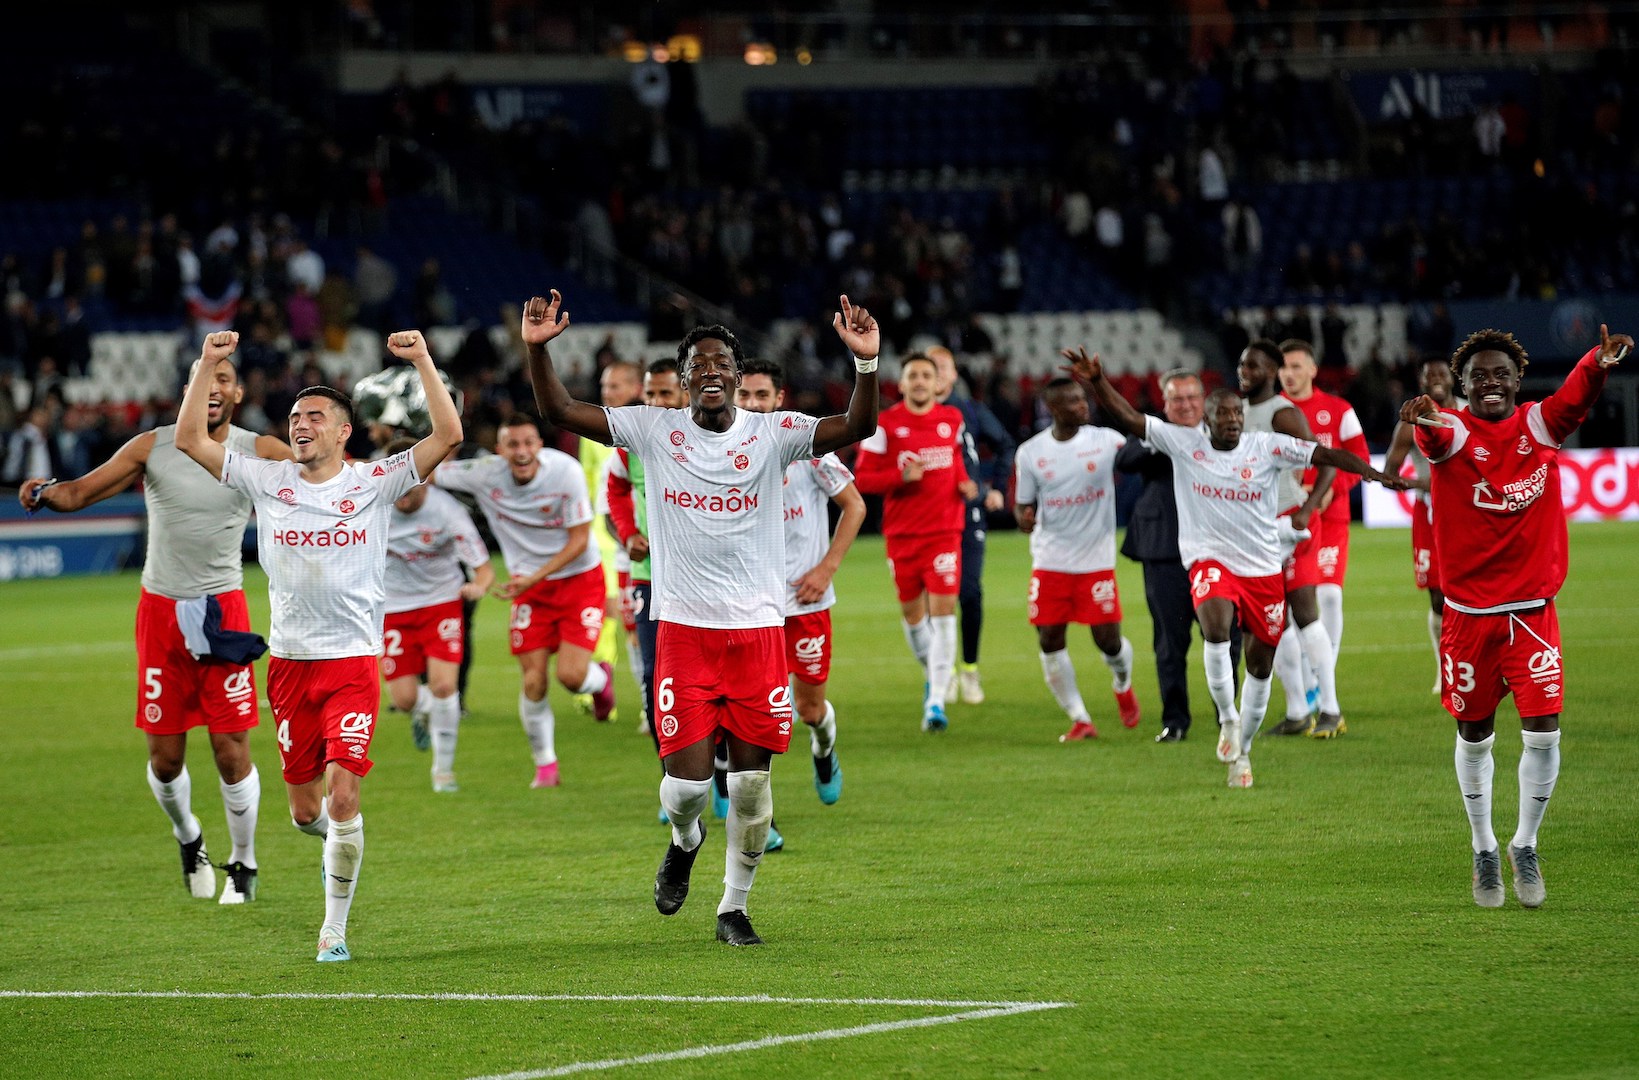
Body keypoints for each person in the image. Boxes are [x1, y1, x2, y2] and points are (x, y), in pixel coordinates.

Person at [524, 288, 879, 946]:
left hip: (758, 635)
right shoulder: (651, 429)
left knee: (749, 789)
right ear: (683, 381)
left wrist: (865, 364)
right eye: (698, 366)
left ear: (739, 379)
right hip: (685, 635)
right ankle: (684, 845)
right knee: (686, 793)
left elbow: (855, 428)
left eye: (722, 364)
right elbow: (557, 409)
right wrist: (538, 349)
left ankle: (732, 908)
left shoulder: (775, 434)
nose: (711, 373)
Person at [174, 328, 462, 961]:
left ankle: (333, 929)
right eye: (295, 416)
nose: (300, 425)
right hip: (290, 667)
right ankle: (340, 842)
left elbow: (448, 437)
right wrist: (207, 362)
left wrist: (420, 362)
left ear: (343, 433)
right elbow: (189, 438)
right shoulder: (267, 479)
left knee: (342, 794)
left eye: (315, 417)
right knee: (308, 813)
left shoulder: (375, 483)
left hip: (354, 664)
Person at [19, 352, 293, 905]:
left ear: (238, 395)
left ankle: (243, 862)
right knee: (165, 760)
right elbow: (78, 493)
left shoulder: (258, 451)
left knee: (230, 749)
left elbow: (321, 484)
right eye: (202, 378)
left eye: (223, 379)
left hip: (223, 612)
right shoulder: (152, 446)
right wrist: (43, 492)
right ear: (186, 390)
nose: (213, 387)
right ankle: (188, 834)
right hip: (162, 614)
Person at [1067, 346, 1400, 788]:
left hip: (1262, 567)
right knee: (1216, 627)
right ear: (1207, 420)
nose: (1232, 421)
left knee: (1260, 665)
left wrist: (1373, 475)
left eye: (1236, 416)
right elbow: (1130, 418)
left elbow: (1326, 456)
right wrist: (1097, 383)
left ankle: (1243, 746)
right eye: (1222, 415)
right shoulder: (1185, 443)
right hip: (1210, 560)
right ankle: (1227, 718)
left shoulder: (1267, 447)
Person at [1401, 324, 1627, 909]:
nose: (1492, 383)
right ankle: (1482, 847)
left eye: (1502, 374)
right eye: (1480, 376)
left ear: (1518, 380)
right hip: (1469, 619)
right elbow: (1432, 439)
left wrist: (1596, 363)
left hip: (1531, 615)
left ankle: (1524, 843)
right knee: (1475, 734)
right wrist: (1424, 417)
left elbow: (1573, 400)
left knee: (1544, 730)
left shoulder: (1537, 425)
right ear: (1464, 385)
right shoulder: (1451, 431)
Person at [433, 415, 614, 789]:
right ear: (500, 451)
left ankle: (600, 682)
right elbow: (427, 471)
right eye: (512, 445)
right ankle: (546, 765)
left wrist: (534, 575)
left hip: (577, 579)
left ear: (539, 446)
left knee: (571, 676)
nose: (521, 452)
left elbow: (580, 540)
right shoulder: (484, 472)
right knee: (534, 681)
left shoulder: (565, 471)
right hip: (529, 588)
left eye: (529, 443)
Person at [735, 357, 866, 803]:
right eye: (744, 394)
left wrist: (826, 567)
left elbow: (855, 506)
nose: (752, 404)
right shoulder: (720, 453)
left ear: (778, 399)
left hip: (806, 601)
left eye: (760, 395)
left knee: (808, 710)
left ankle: (825, 748)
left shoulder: (809, 449)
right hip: (750, 606)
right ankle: (742, 801)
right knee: (750, 712)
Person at [853, 352, 978, 732]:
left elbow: (953, 459)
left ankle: (936, 702)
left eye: (928, 374)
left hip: (944, 532)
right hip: (903, 536)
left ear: (938, 383)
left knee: (943, 616)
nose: (922, 381)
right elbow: (863, 479)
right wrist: (900, 476)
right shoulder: (884, 425)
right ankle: (935, 675)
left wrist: (962, 481)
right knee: (913, 617)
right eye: (914, 375)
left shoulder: (951, 419)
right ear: (902, 384)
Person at [1115, 369, 1241, 742]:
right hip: (1164, 549)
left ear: (1203, 401)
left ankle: (1227, 717)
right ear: (1165, 404)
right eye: (1177, 399)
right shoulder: (1154, 433)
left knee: (1225, 637)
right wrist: (1167, 438)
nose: (1185, 405)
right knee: (1169, 641)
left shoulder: (1225, 434)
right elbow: (1125, 460)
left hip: (1217, 549)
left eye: (1191, 398)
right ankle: (1175, 720)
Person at [1013, 377, 1140, 741]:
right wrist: (1024, 518)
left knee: (1108, 642)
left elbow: (1137, 452)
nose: (1083, 406)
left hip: (1096, 559)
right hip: (1050, 558)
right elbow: (1023, 504)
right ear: (1052, 408)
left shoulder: (1106, 441)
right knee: (1049, 638)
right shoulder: (1031, 452)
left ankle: (1122, 681)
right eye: (1072, 402)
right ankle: (1080, 717)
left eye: (1082, 399)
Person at [1236, 340, 1347, 739]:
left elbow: (1328, 464)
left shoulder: (1283, 414)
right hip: (1253, 530)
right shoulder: (1237, 412)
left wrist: (1308, 509)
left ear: (1271, 371)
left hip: (1290, 521)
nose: (1243, 372)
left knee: (1304, 611)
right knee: (1271, 621)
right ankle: (1298, 710)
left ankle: (1331, 709)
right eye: (1241, 365)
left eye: (1252, 366)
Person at [380, 438, 494, 792]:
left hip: (441, 603)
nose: (402, 489)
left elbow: (484, 567)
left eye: (409, 478)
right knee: (404, 699)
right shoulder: (373, 506)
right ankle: (420, 710)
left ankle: (442, 772)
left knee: (445, 686)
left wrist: (478, 586)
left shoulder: (448, 512)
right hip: (394, 608)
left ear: (425, 475)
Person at [1279, 338, 1371, 689]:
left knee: (1329, 594)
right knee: (1291, 605)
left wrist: (1333, 487)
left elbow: (1359, 457)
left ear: (1313, 369)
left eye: (1296, 366)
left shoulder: (1338, 409)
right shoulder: (1274, 412)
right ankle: (1302, 682)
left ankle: (1321, 679)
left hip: (1330, 517)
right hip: (1286, 520)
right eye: (1284, 367)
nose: (1289, 374)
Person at [929, 345, 1015, 705]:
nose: (934, 373)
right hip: (929, 517)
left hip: (966, 514)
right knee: (935, 599)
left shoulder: (970, 411)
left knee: (968, 592)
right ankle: (943, 673)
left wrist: (993, 487)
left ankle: (969, 668)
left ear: (952, 375)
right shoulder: (908, 417)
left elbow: (1006, 444)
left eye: (942, 367)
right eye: (927, 367)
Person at [1382, 357, 1463, 693]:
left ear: (1452, 378)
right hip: (1429, 515)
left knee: (1472, 593)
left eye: (1442, 374)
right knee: (1437, 598)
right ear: (1422, 380)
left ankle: (1471, 665)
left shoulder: (1468, 412)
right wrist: (1422, 484)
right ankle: (1443, 668)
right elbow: (1388, 474)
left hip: (1469, 513)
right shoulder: (1411, 422)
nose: (1437, 380)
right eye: (1430, 375)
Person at [577, 360, 645, 720]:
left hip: (635, 537)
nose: (607, 393)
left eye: (615, 386)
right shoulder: (589, 431)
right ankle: (600, 684)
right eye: (604, 387)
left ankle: (649, 699)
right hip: (601, 533)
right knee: (603, 614)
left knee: (635, 618)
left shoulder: (646, 428)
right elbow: (584, 481)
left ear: (636, 389)